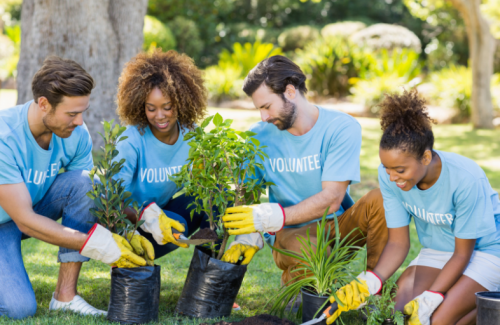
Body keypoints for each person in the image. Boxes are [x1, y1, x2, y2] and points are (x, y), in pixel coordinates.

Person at [327, 89, 500, 325]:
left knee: (436, 319)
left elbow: (462, 254)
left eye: (400, 170)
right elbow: (398, 243)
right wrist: (370, 281)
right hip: (438, 250)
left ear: (426, 158)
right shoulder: (390, 175)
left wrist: (431, 297)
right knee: (393, 315)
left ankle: (491, 310)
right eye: (387, 169)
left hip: (484, 252)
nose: (392, 178)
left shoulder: (465, 179)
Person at [0, 56, 150, 319]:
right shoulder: (5, 137)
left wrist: (132, 224)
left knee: (84, 182)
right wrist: (96, 244)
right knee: (19, 309)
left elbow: (87, 197)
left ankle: (65, 297)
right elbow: (25, 221)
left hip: (26, 211)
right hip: (14, 218)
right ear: (44, 104)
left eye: (82, 112)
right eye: (72, 113)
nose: (80, 121)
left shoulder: (75, 135)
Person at [222, 55, 388, 288]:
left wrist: (273, 216)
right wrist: (247, 238)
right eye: (259, 109)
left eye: (267, 106)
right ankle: (300, 281)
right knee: (316, 259)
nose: (264, 117)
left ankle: (373, 291)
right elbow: (247, 196)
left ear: (290, 91)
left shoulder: (341, 127)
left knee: (381, 199)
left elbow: (332, 199)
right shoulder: (258, 136)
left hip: (337, 226)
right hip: (290, 233)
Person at [114, 49, 263, 277]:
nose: (160, 116)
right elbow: (113, 198)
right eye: (150, 108)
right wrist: (149, 219)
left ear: (182, 102)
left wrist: (247, 224)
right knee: (169, 219)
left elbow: (207, 186)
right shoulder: (131, 139)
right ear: (139, 105)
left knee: (213, 195)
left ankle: (208, 281)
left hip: (166, 220)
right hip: (130, 226)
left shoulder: (191, 136)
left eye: (168, 106)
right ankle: (132, 263)